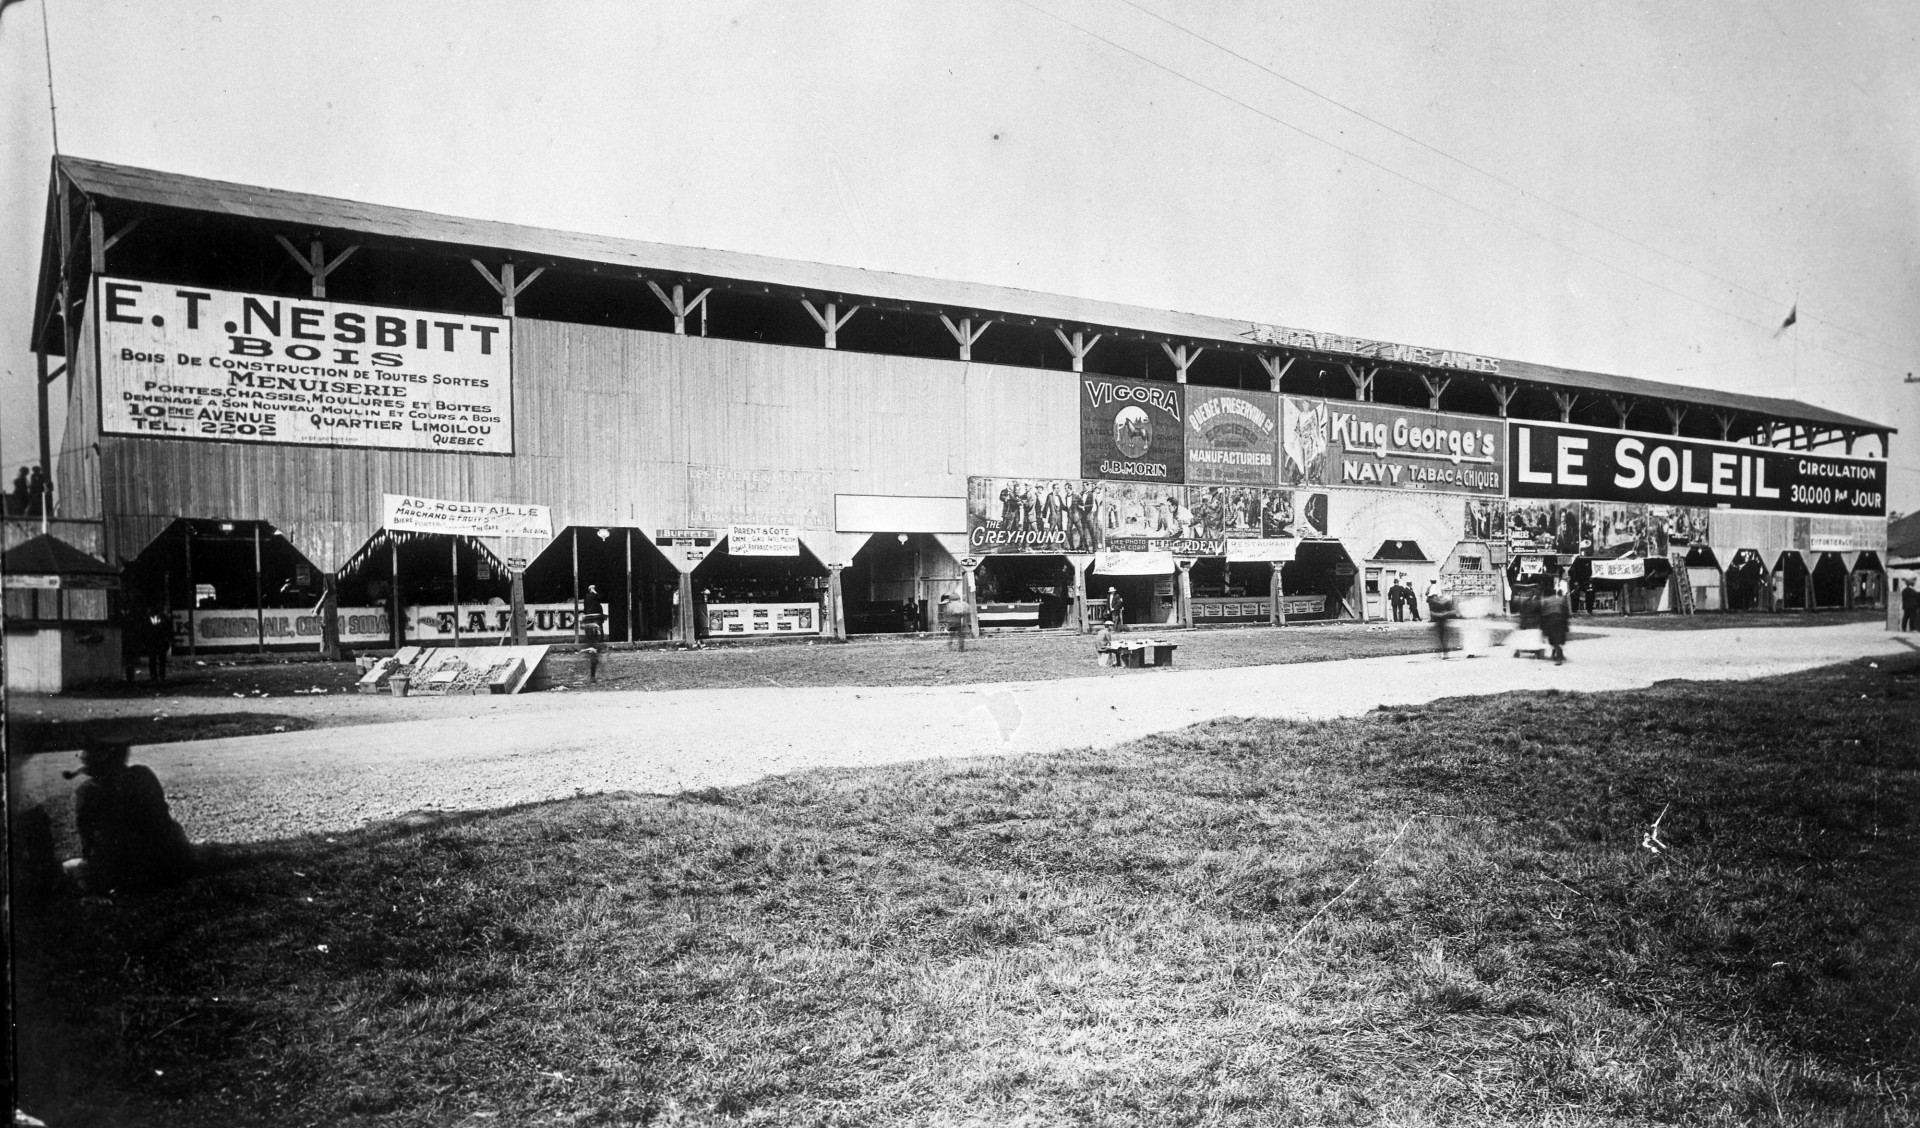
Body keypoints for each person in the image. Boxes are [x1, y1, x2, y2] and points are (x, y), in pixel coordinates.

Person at [64, 741, 195, 896]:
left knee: (69, 867)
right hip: (170, 862)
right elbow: (163, 819)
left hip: (126, 874)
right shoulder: (143, 775)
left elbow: (89, 842)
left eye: (87, 750)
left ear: (100, 757)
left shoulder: (88, 791)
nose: (81, 755)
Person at [1541, 581, 1572, 665]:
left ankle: (1559, 658)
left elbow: (1544, 615)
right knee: (1557, 640)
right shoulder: (1560, 600)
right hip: (1560, 622)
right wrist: (1566, 625)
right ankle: (1555, 655)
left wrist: (1543, 628)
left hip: (1552, 623)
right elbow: (1566, 613)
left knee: (1555, 641)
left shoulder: (1546, 601)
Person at [581, 584, 606, 681]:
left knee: (591, 631)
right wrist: (595, 592)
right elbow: (601, 598)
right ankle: (599, 640)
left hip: (589, 614)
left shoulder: (586, 597)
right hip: (596, 614)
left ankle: (592, 641)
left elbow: (585, 606)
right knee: (598, 628)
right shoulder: (595, 596)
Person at [1426, 579, 1456, 658]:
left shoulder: (1443, 601)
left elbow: (1451, 612)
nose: (1434, 597)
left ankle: (1443, 652)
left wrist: (1441, 614)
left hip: (1442, 622)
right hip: (1440, 622)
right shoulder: (1438, 602)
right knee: (1440, 637)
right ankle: (1442, 652)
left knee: (1442, 637)